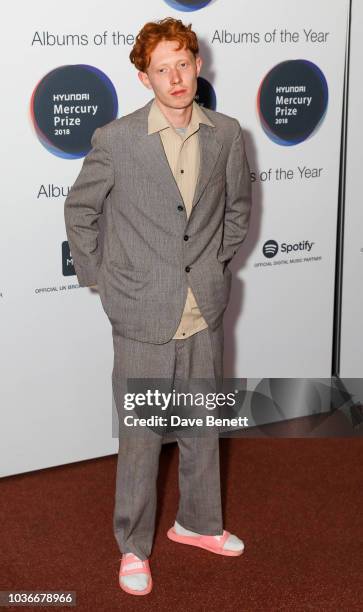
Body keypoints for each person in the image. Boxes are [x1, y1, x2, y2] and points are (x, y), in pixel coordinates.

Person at [64, 17, 252, 597]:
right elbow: (80, 213)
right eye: (161, 68)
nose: (175, 77)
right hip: (142, 312)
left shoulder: (227, 134)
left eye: (183, 63)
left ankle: (197, 524)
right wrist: (105, 281)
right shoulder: (117, 140)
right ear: (144, 78)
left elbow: (238, 211)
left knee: (201, 428)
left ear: (199, 66)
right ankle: (132, 547)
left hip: (205, 308)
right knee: (142, 438)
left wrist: (215, 267)